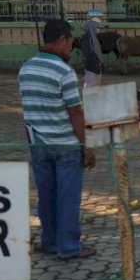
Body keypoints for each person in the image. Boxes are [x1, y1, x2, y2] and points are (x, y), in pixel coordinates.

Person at [18, 18, 97, 259]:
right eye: (71, 43)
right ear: (62, 40)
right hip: (65, 144)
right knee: (67, 196)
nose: (71, 48)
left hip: (38, 143)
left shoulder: (26, 68)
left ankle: (49, 241)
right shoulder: (64, 72)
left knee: (46, 194)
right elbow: (75, 112)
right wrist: (85, 146)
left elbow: (28, 108)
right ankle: (69, 247)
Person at [80, 15, 104, 88]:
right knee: (91, 85)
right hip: (92, 65)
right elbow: (89, 52)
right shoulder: (88, 37)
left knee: (95, 84)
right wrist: (96, 64)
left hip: (94, 64)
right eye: (95, 24)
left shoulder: (91, 36)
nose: (97, 26)